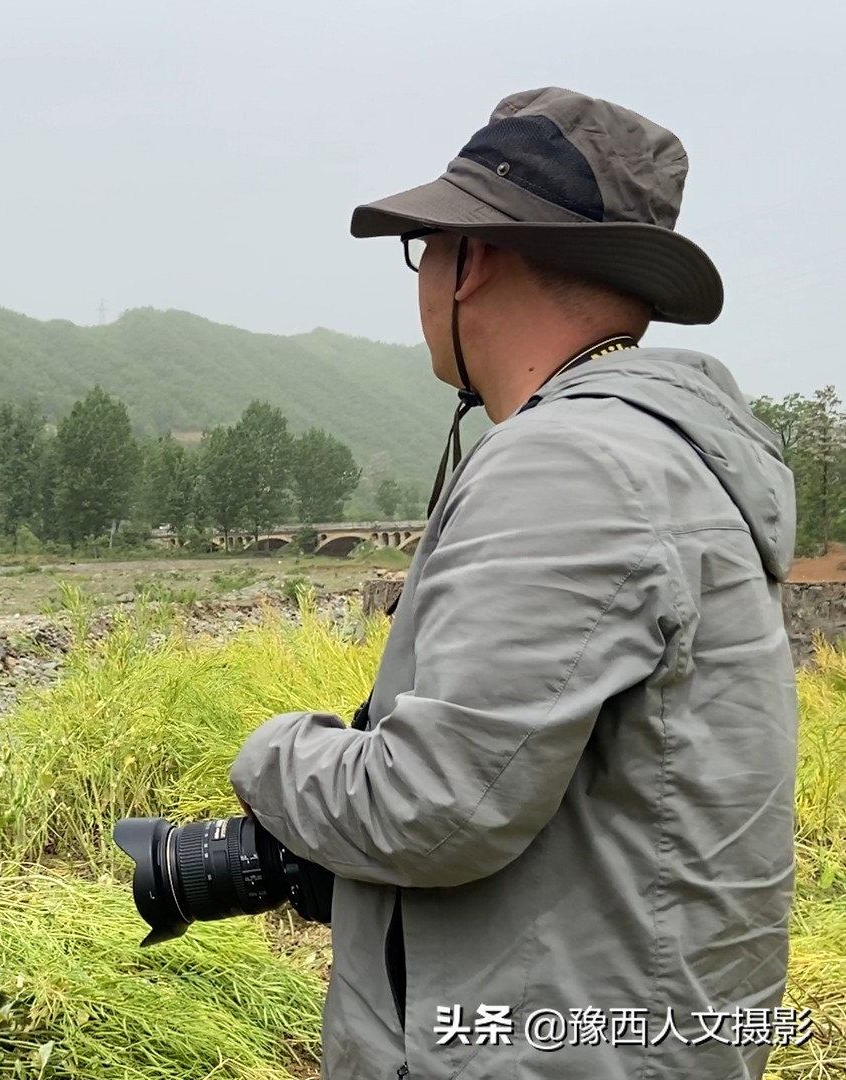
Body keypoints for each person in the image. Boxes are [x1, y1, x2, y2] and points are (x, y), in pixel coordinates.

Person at [229, 88, 799, 1080]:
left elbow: (433, 809)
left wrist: (271, 752)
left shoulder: (570, 463)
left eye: (425, 249)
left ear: (476, 259)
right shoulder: (664, 452)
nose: (421, 281)